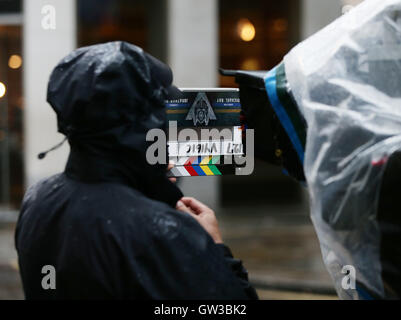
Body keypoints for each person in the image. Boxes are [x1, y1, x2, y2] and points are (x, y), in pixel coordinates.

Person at [15, 41, 258, 300]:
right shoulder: (165, 233)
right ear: (143, 126)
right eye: (164, 114)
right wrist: (215, 248)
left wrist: (155, 186)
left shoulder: (36, 200)